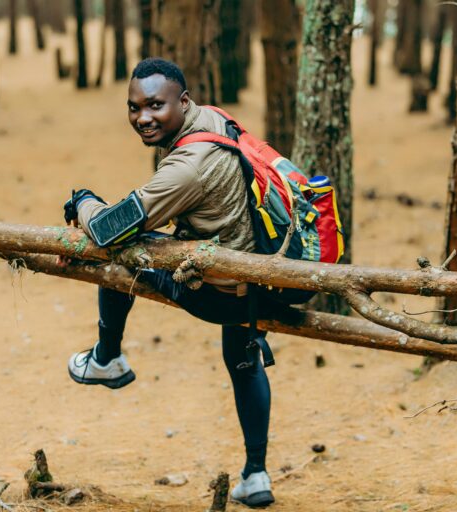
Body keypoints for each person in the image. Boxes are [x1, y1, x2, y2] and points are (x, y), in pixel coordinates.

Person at [64, 58, 285, 508]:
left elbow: (111, 229)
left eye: (155, 106)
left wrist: (84, 202)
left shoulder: (188, 166)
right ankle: (256, 474)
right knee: (242, 360)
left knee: (120, 259)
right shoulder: (214, 119)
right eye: (133, 107)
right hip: (256, 275)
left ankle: (107, 360)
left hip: (221, 292)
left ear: (182, 101)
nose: (142, 118)